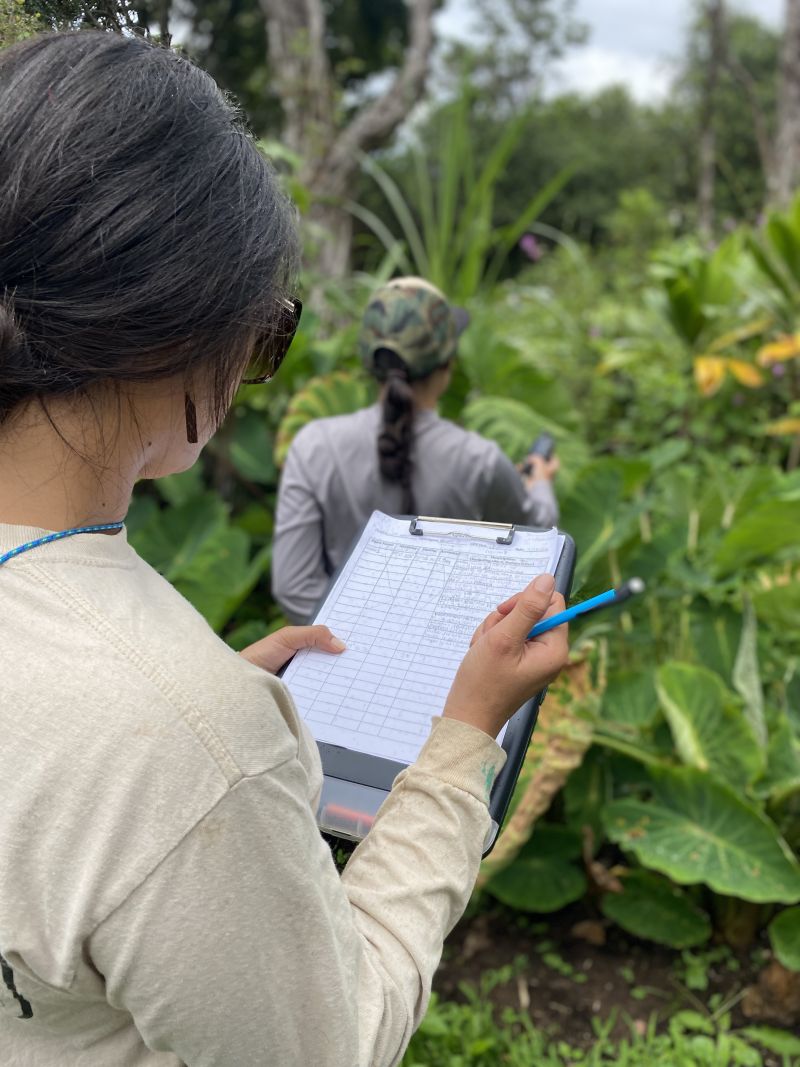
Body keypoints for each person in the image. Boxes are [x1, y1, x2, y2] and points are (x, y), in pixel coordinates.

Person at [0, 31, 568, 1067]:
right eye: (263, 333)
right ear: (176, 327)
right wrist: (460, 738)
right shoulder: (177, 741)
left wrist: (197, 710)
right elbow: (328, 1043)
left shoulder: (309, 447)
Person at [273, 277, 560, 623]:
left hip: (335, 661)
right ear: (447, 367)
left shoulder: (312, 446)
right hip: (454, 666)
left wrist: (352, 642)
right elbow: (539, 537)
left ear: (369, 364)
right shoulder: (479, 461)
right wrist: (539, 481)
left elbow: (293, 586)